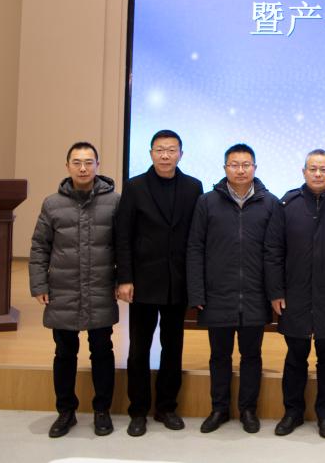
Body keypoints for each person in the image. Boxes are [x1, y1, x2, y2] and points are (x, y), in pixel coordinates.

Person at [114, 130, 203, 436]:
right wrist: (124, 278)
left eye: (171, 150)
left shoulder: (193, 187)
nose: (166, 155)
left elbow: (196, 237)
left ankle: (166, 407)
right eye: (160, 150)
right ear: (151, 153)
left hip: (177, 282)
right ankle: (138, 410)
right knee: (139, 350)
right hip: (143, 282)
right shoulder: (135, 186)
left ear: (181, 154)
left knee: (172, 348)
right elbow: (123, 236)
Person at [186, 143, 280, 434]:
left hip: (255, 294)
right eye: (234, 165)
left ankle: (248, 410)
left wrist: (274, 292)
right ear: (225, 168)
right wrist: (197, 292)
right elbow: (195, 248)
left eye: (246, 165)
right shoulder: (207, 202)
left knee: (252, 356)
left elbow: (275, 252)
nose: (240, 170)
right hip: (218, 294)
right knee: (219, 356)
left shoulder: (270, 203)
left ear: (255, 168)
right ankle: (220, 409)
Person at [29, 141, 120, 438]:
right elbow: (40, 246)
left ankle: (102, 410)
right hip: (63, 290)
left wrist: (122, 280)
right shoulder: (52, 204)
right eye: (77, 162)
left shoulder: (114, 202)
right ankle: (65, 412)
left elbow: (123, 247)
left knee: (102, 351)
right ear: (67, 166)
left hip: (99, 289)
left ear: (97, 166)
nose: (83, 168)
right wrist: (39, 284)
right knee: (64, 352)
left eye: (88, 162)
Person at [267, 149, 325, 439]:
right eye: (313, 169)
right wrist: (276, 291)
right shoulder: (287, 205)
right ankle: (292, 412)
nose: (318, 174)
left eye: (323, 169)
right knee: (295, 356)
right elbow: (273, 251)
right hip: (295, 295)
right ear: (303, 171)